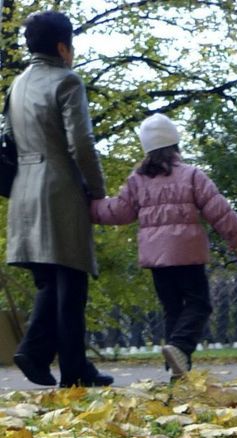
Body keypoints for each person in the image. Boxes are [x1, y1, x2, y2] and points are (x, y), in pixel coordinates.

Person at [90, 113, 237, 380]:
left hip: (157, 259)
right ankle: (179, 349)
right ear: (175, 145)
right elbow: (217, 209)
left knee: (173, 309)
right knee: (199, 305)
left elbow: (118, 211)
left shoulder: (137, 181)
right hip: (187, 254)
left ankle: (178, 368)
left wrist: (89, 207)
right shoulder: (191, 175)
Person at [3, 11, 112, 388]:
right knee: (71, 283)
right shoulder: (67, 81)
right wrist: (98, 190)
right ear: (63, 47)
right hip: (59, 189)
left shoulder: (16, 85)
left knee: (51, 283)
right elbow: (80, 144)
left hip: (24, 191)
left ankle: (49, 356)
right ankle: (68, 367)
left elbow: (10, 138)